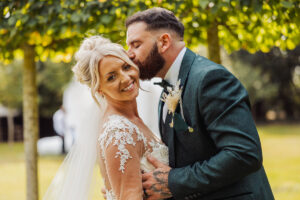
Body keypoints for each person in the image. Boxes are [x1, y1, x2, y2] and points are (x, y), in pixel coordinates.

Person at [125, 7, 274, 200]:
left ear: (163, 42)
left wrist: (174, 181)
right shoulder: (166, 90)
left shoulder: (210, 79)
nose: (129, 55)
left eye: (135, 45)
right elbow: (181, 161)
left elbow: (243, 153)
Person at [43, 36, 169, 200]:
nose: (125, 78)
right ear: (99, 89)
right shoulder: (119, 132)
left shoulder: (131, 121)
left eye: (125, 67)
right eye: (111, 77)